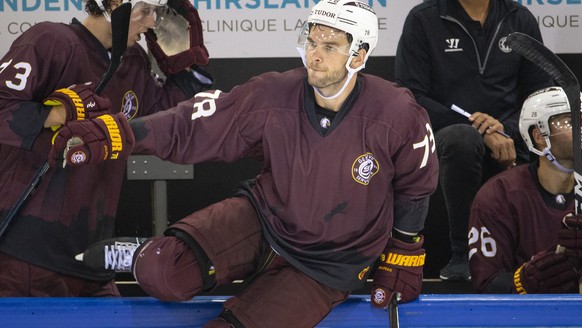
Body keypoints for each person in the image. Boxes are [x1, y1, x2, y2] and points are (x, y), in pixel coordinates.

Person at [56, 0, 438, 326]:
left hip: (329, 263)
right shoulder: (272, 93)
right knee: (161, 271)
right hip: (265, 219)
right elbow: (192, 125)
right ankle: (142, 252)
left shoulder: (397, 112)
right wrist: (121, 133)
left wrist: (405, 247)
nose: (314, 53)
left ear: (358, 54)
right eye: (312, 39)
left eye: (330, 45)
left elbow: (416, 185)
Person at [0, 0, 212, 296]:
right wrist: (56, 114)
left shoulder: (134, 61)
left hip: (92, 259)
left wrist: (186, 67)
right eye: (145, 10)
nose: (152, 23)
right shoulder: (51, 40)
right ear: (113, 4)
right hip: (26, 255)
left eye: (157, 12)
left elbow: (170, 122)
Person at [395, 0, 554, 281]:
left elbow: (540, 93)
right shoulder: (424, 18)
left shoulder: (519, 18)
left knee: (560, 133)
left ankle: (548, 258)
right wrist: (478, 128)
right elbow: (411, 95)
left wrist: (505, 129)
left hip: (510, 135)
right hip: (449, 133)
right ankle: (463, 255)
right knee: (462, 139)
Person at [468, 86, 582, 293]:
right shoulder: (498, 195)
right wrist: (526, 281)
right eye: (569, 121)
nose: (580, 128)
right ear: (538, 135)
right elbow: (486, 284)